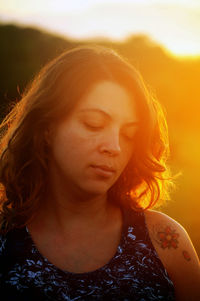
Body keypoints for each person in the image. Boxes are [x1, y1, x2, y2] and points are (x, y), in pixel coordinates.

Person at [0, 45, 199, 301]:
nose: (114, 147)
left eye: (129, 135)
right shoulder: (6, 243)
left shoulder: (165, 243)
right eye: (94, 124)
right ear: (47, 128)